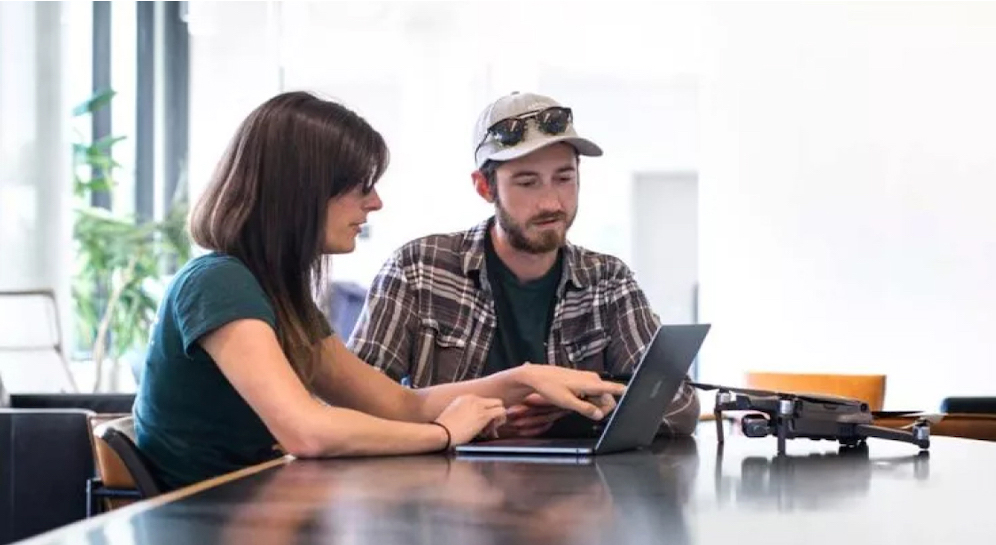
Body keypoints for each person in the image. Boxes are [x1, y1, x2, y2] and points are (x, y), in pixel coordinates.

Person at [133, 91, 625, 491]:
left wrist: (526, 377)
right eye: (360, 186)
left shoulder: (281, 298)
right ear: (301, 193)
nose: (375, 202)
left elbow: (397, 403)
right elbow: (308, 430)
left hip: (249, 519)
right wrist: (443, 434)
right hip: (204, 532)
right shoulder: (218, 282)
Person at [348, 91, 700, 438]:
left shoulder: (607, 281)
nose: (551, 202)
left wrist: (578, 412)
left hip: (577, 492)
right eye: (527, 182)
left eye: (564, 178)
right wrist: (477, 421)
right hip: (448, 488)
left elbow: (680, 406)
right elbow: (356, 406)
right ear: (484, 187)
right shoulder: (419, 269)